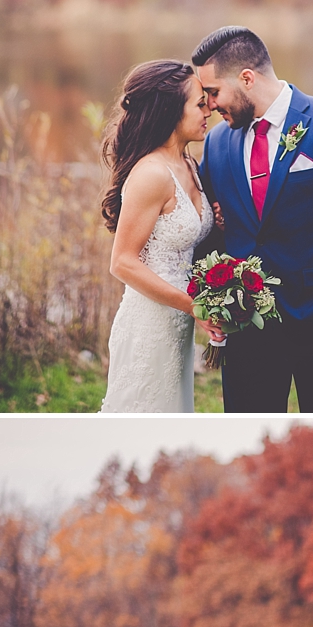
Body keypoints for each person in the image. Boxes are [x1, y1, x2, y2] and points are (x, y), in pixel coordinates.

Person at [194, 25, 313, 413]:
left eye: (214, 92)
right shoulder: (218, 143)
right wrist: (211, 300)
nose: (210, 105)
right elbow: (210, 227)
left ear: (247, 78)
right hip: (247, 328)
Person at [100, 60, 220, 412]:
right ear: (169, 110)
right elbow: (122, 263)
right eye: (199, 104)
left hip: (177, 322)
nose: (209, 109)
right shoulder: (151, 174)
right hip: (149, 322)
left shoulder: (190, 166)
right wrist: (194, 306)